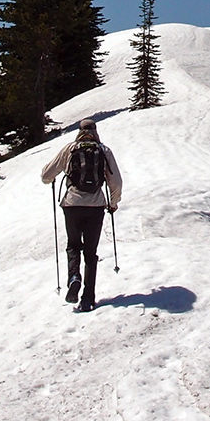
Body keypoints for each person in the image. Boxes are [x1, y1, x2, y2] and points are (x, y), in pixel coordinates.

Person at [41, 118, 123, 312]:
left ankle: (74, 277)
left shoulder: (70, 149)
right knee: (90, 252)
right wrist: (113, 204)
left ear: (79, 131)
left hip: (72, 205)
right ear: (95, 131)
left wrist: (53, 178)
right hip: (96, 206)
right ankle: (88, 298)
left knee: (73, 245)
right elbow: (116, 182)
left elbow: (46, 176)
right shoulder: (104, 150)